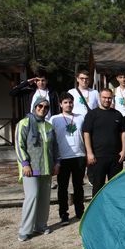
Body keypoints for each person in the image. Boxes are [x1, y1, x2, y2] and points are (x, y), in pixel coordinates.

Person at [14, 97, 59, 242]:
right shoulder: (24, 123)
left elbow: (55, 147)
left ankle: (40, 225)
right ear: (34, 106)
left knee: (45, 199)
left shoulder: (48, 126)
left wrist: (57, 163)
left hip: (46, 168)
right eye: (40, 106)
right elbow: (19, 145)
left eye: (46, 107)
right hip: (31, 168)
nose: (43, 109)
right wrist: (25, 164)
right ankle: (25, 230)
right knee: (32, 197)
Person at [82, 88, 125, 197]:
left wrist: (124, 150)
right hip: (98, 157)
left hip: (116, 157)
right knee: (98, 186)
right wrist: (89, 153)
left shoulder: (117, 114)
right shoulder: (92, 115)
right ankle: (97, 211)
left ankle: (113, 211)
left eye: (109, 98)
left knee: (115, 186)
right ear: (99, 98)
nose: (107, 100)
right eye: (104, 97)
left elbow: (123, 133)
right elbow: (86, 133)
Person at [50, 92, 86, 224]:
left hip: (79, 156)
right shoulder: (54, 119)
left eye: (70, 102)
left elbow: (85, 136)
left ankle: (79, 211)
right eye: (65, 102)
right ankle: (63, 214)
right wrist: (54, 159)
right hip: (62, 158)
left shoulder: (80, 117)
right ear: (60, 104)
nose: (68, 105)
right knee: (63, 187)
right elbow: (51, 140)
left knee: (78, 186)